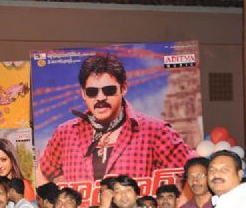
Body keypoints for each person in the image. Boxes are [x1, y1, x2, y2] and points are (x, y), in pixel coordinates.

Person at [39, 53, 195, 183]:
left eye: (108, 90)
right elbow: (43, 172)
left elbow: (195, 170)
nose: (100, 97)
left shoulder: (155, 131)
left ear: (123, 88)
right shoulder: (65, 133)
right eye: (92, 92)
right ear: (83, 94)